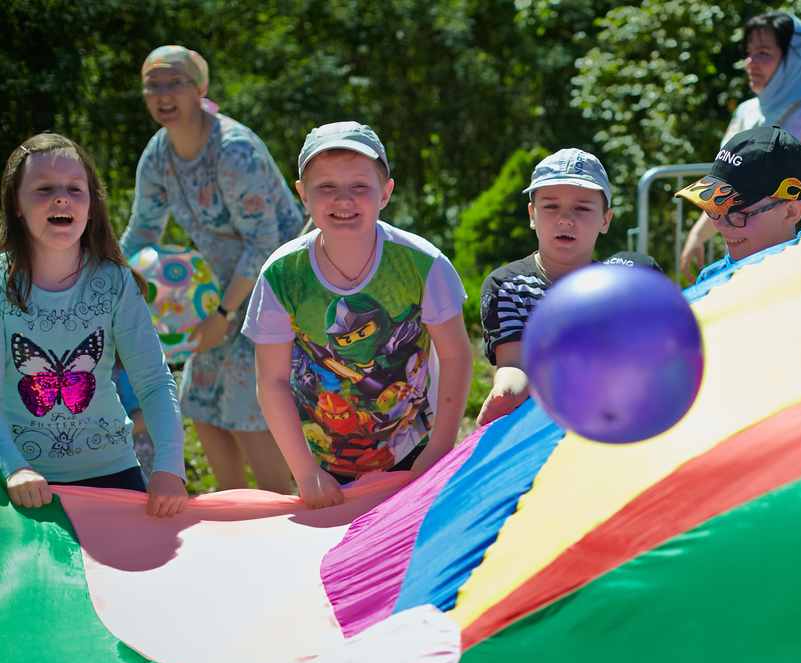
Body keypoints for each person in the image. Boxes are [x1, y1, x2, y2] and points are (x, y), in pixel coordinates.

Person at [243, 122, 472, 509]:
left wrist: (440, 447)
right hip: (323, 461)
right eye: (326, 187)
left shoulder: (423, 263)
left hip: (416, 448)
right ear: (302, 194)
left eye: (359, 186)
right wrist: (305, 472)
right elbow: (272, 381)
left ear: (386, 192)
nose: (343, 199)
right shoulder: (281, 275)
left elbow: (456, 356)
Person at [121, 45, 299, 494]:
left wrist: (224, 314)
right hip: (217, 294)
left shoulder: (233, 150)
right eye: (153, 86)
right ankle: (232, 514)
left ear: (200, 88)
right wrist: (103, 283)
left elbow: (265, 242)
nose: (163, 95)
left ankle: (282, 510)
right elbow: (141, 234)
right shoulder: (158, 155)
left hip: (275, 286)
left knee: (244, 406)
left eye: (175, 83)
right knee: (197, 402)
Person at [0, 134, 187, 517]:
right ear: (16, 204)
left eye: (74, 189)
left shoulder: (115, 282)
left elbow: (154, 381)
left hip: (113, 474)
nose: (61, 198)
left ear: (91, 205)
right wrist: (14, 467)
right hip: (21, 481)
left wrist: (170, 467)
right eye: (44, 189)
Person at [680, 12, 801, 281]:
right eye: (749, 53)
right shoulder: (746, 111)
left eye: (763, 53)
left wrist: (787, 193)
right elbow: (729, 185)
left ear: (795, 60)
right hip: (748, 251)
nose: (750, 62)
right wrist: (698, 234)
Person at [477, 148, 614, 426]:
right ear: (532, 214)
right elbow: (513, 364)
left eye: (582, 208)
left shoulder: (620, 290)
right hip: (537, 432)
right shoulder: (508, 286)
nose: (565, 219)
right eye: (551, 206)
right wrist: (506, 392)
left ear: (605, 220)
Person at [675, 125, 801, 287]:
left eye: (738, 214)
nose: (720, 225)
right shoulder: (712, 281)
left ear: (791, 212)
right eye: (714, 208)